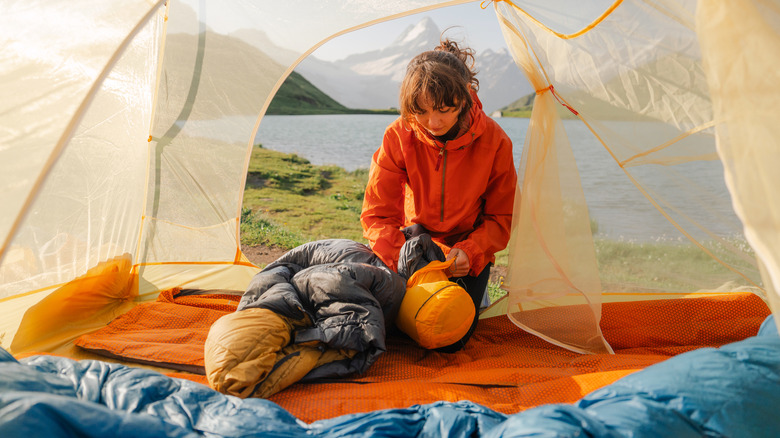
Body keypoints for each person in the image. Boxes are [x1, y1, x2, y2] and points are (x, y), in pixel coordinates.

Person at [360, 37, 518, 352]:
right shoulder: (399, 135)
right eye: (421, 111)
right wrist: (402, 260)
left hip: (465, 249)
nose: (433, 123)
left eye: (444, 110)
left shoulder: (496, 142)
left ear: (465, 98)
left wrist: (471, 252)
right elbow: (377, 215)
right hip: (413, 243)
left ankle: (472, 290)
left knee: (449, 339)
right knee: (391, 330)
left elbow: (501, 218)